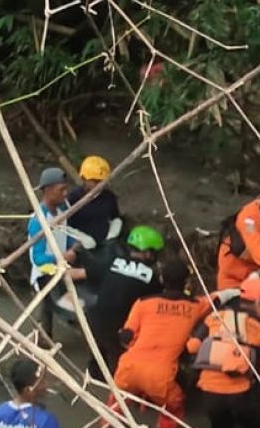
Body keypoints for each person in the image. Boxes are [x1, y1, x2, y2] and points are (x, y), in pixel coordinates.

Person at [111, 263, 240, 428]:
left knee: (114, 405)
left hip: (127, 369)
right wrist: (239, 290)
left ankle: (110, 424)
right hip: (160, 377)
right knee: (176, 404)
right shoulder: (194, 306)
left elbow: (125, 336)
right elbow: (217, 298)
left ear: (162, 279)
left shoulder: (142, 303)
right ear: (186, 284)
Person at [187, 276, 260, 428]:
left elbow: (192, 347)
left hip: (210, 394)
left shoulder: (215, 317)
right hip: (240, 396)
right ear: (258, 304)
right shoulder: (259, 329)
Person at [83, 225, 165, 382]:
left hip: (94, 319)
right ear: (148, 252)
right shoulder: (150, 277)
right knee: (119, 365)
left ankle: (95, 375)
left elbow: (85, 273)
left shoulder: (114, 262)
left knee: (98, 354)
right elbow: (155, 302)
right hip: (120, 328)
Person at [27, 167, 82, 340]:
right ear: (48, 190)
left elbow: (66, 234)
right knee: (47, 311)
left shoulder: (63, 208)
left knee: (53, 308)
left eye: (66, 189)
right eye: (61, 190)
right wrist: (61, 257)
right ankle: (43, 342)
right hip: (46, 272)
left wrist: (73, 247)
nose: (66, 194)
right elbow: (37, 258)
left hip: (63, 266)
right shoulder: (38, 220)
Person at [66, 155, 122, 246]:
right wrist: (81, 238)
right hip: (82, 246)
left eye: (102, 181)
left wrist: (112, 235)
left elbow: (115, 217)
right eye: (95, 181)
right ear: (84, 179)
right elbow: (65, 226)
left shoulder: (109, 197)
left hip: (106, 243)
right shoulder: (73, 198)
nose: (99, 185)